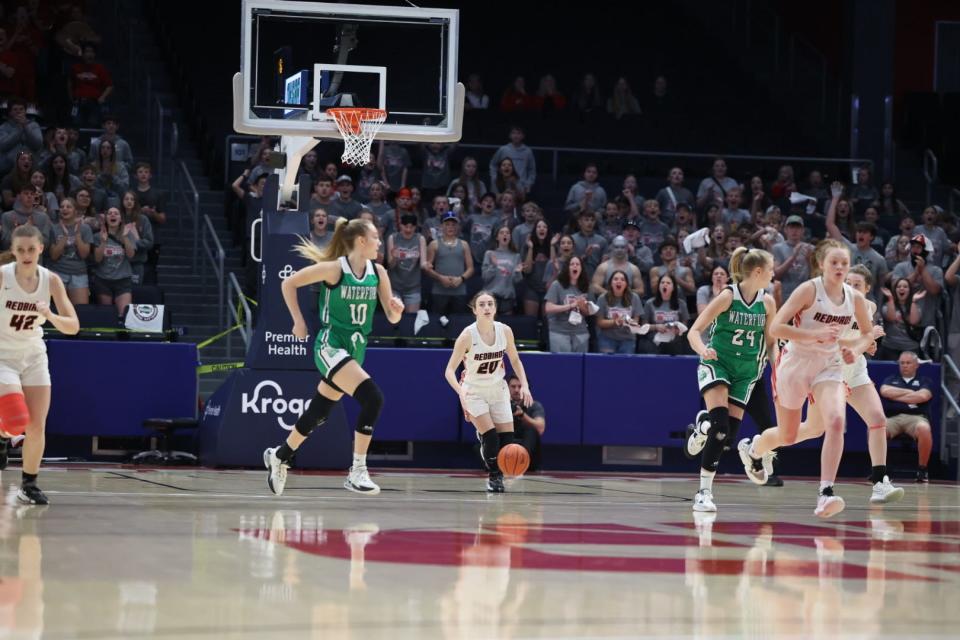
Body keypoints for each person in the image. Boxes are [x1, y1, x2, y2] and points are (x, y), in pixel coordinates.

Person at [263, 218, 404, 496]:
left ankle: (280, 456)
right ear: (361, 241)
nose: (379, 242)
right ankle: (357, 470)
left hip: (355, 350)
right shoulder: (334, 270)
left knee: (319, 412)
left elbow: (392, 316)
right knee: (373, 398)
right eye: (375, 237)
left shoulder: (379, 273)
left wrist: (396, 309)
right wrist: (299, 322)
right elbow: (289, 284)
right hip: (330, 345)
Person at [742, 240, 875, 518]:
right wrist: (814, 335)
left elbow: (867, 333)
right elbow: (777, 328)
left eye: (844, 263)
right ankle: (754, 449)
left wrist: (855, 349)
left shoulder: (856, 298)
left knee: (835, 422)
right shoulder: (808, 290)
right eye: (834, 262)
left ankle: (826, 493)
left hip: (829, 366)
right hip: (795, 365)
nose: (839, 267)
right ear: (822, 264)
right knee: (789, 435)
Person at [685, 247, 776, 513]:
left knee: (725, 438)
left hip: (747, 372)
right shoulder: (727, 296)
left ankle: (703, 427)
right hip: (718, 364)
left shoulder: (768, 302)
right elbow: (695, 331)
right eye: (770, 269)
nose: (773, 274)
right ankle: (703, 493)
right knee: (721, 427)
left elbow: (771, 343)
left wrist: (779, 369)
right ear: (758, 272)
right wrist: (704, 350)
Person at [0, 224, 80, 505]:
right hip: (3, 356)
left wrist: (50, 315)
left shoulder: (51, 281)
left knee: (36, 426)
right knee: (15, 417)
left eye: (31, 249)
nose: (25, 254)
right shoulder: (3, 277)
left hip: (34, 355)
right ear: (13, 251)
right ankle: (4, 434)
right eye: (20, 249)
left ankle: (28, 484)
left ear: (41, 249)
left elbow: (73, 327)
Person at [444, 291, 534, 492]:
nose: (486, 308)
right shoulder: (468, 335)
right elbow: (449, 371)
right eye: (482, 304)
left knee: (507, 440)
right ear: (474, 310)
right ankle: (494, 477)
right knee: (491, 437)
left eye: (490, 304)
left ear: (495, 308)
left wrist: (525, 385)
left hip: (498, 388)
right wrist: (461, 392)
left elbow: (515, 360)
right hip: (474, 390)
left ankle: (497, 464)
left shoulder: (505, 331)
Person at [826, 182, 887, 301]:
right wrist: (835, 198)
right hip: (845, 300)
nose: (860, 234)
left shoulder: (879, 259)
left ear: (872, 237)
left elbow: (880, 288)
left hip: (868, 303)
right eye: (859, 231)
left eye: (864, 232)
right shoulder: (848, 247)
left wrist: (878, 311)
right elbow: (830, 224)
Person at [880, 351, 934, 483]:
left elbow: (923, 396)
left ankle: (922, 470)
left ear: (916, 365)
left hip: (916, 418)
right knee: (876, 429)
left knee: (924, 429)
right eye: (902, 363)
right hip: (893, 418)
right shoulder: (891, 379)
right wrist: (911, 393)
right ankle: (879, 470)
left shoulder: (925, 380)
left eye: (908, 363)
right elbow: (884, 391)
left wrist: (896, 396)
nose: (904, 365)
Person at [425, 211, 473, 315]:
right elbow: (428, 269)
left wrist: (461, 278)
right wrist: (440, 278)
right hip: (439, 291)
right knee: (437, 322)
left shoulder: (464, 244)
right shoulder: (434, 244)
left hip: (459, 291)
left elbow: (470, 268)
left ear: (458, 227)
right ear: (441, 226)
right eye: (447, 224)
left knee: (459, 323)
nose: (450, 227)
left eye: (453, 224)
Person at [91, 207, 136, 315]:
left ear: (121, 219)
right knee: (107, 315)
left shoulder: (128, 234)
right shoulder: (97, 236)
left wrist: (124, 237)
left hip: (123, 280)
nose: (113, 215)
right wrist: (103, 242)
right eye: (110, 213)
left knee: (124, 315)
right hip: (103, 280)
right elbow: (97, 259)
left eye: (116, 213)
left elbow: (131, 255)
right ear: (106, 218)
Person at [544, 255, 594, 352]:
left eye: (577, 264)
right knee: (562, 365)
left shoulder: (587, 286)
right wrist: (571, 305)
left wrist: (581, 306)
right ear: (567, 268)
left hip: (580, 332)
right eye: (572, 264)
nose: (575, 266)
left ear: (581, 268)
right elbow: (548, 308)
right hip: (559, 332)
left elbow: (590, 312)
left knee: (579, 365)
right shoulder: (557, 285)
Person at [47, 197, 92, 305]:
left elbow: (84, 254)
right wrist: (65, 235)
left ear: (75, 211)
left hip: (79, 274)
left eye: (68, 207)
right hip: (58, 273)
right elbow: (53, 256)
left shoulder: (85, 228)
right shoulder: (54, 228)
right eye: (62, 207)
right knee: (58, 309)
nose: (64, 209)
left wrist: (77, 235)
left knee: (81, 310)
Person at [386, 213, 428, 313]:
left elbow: (423, 264)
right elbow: (390, 265)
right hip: (394, 286)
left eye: (411, 227)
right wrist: (395, 257)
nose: (408, 230)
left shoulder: (420, 239)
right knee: (394, 319)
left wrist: (427, 266)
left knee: (411, 320)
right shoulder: (393, 238)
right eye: (406, 226)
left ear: (415, 227)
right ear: (400, 225)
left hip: (413, 287)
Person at [595, 270, 642, 354]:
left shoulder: (634, 298)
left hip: (628, 339)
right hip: (607, 338)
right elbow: (599, 322)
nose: (619, 281)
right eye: (615, 279)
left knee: (625, 366)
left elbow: (636, 321)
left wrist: (629, 322)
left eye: (622, 279)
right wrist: (614, 322)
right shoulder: (602, 298)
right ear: (611, 283)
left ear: (626, 284)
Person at [877, 277, 924, 361]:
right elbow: (891, 318)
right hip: (890, 347)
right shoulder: (887, 305)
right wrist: (891, 299)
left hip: (910, 348)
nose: (902, 288)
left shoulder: (916, 306)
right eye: (899, 287)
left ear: (910, 290)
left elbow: (913, 321)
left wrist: (913, 301)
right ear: (895, 290)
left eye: (905, 287)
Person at [508, 374, 545, 471]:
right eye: (513, 386)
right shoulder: (501, 406)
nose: (516, 390)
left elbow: (540, 428)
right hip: (508, 447)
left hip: (528, 451)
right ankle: (497, 465)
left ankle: (520, 463)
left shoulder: (534, 405)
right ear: (507, 388)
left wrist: (522, 415)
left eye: (520, 387)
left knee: (532, 430)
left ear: (526, 389)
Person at [772, 215, 814, 300]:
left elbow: (816, 277)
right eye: (791, 227)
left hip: (805, 294)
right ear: (785, 230)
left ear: (803, 231)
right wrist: (793, 257)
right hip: (784, 294)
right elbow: (775, 275)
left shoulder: (811, 249)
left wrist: (809, 260)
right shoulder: (777, 248)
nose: (794, 231)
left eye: (798, 228)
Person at [482, 226, 522, 314]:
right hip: (490, 297)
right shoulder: (489, 254)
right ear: (497, 237)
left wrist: (518, 272)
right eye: (502, 232)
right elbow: (485, 278)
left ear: (510, 237)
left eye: (507, 233)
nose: (505, 234)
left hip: (507, 299)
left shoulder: (516, 256)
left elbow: (517, 281)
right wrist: (493, 266)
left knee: (504, 327)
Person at [488, 127, 536, 196]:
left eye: (519, 133)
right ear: (510, 135)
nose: (516, 136)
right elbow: (493, 164)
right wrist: (494, 178)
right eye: (513, 133)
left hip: (520, 187)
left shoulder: (528, 151)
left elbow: (532, 171)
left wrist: (528, 184)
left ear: (523, 136)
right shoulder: (503, 149)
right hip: (503, 185)